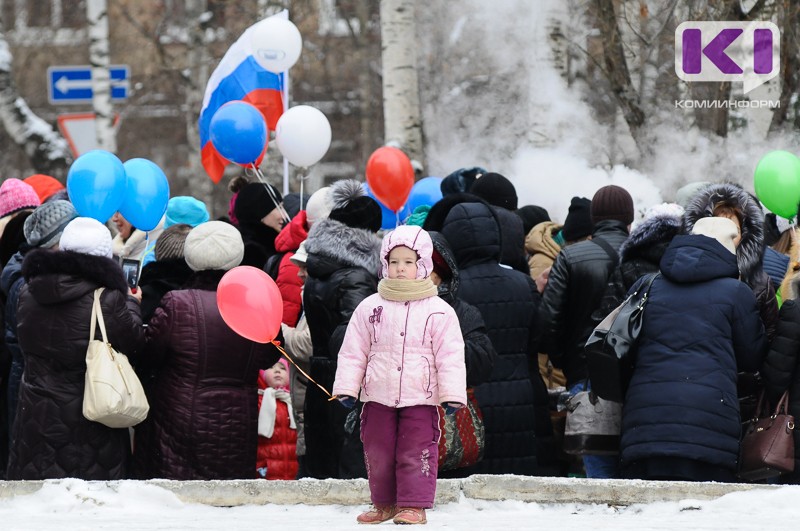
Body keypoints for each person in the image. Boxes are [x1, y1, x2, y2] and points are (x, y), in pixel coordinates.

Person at [333, 225, 466, 525]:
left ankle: (413, 504)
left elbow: (450, 357)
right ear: (384, 265)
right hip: (377, 394)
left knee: (416, 449)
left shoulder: (438, 311)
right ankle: (384, 502)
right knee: (377, 448)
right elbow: (354, 351)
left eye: (408, 262)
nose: (400, 269)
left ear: (422, 265)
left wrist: (453, 394)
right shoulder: (370, 308)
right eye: (394, 262)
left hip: (420, 396)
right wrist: (346, 388)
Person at [620, 217, 767, 482]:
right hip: (710, 427)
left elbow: (623, 349)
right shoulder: (736, 293)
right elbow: (752, 358)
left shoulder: (646, 286)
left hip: (645, 423)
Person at [132, 221, 280, 480]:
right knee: (228, 500)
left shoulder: (177, 303)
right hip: (237, 418)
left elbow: (148, 356)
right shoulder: (252, 303)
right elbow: (268, 355)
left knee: (179, 496)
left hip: (178, 414)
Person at [7, 217, 144, 480]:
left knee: (38, 501)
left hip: (37, 413)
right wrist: (132, 304)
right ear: (104, 255)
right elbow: (135, 342)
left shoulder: (28, 291)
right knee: (90, 506)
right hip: (91, 413)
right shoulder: (108, 298)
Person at [538, 184, 634, 478]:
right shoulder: (649, 253)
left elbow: (548, 321)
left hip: (587, 375)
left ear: (595, 217)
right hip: (638, 375)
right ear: (629, 218)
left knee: (598, 471)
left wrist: (566, 361)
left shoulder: (571, 256)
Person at [302, 178, 382, 480]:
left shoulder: (319, 268)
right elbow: (355, 336)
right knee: (350, 469)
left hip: (319, 375)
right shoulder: (356, 277)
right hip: (348, 383)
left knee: (324, 467)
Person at [280, 241, 313, 477]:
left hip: (310, 401)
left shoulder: (316, 297)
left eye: (305, 267)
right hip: (304, 403)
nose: (299, 273)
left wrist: (278, 330)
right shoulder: (308, 295)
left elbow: (307, 345)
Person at [256, 358, 298, 480]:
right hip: (266, 466)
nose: (277, 371)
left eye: (282, 368)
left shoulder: (292, 402)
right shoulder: (259, 400)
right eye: (271, 367)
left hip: (292, 466)